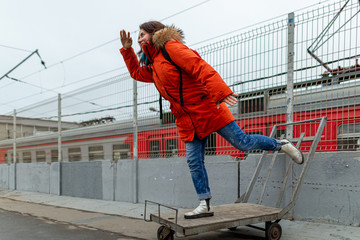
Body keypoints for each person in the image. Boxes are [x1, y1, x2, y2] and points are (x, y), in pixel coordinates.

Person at [119, 21, 304, 219]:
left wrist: (220, 92)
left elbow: (199, 66)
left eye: (142, 35)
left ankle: (281, 144)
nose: (139, 39)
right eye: (138, 36)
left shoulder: (170, 48)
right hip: (188, 119)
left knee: (242, 142)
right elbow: (136, 73)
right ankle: (204, 203)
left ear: (154, 34)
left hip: (208, 109)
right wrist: (127, 50)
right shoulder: (154, 64)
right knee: (194, 161)